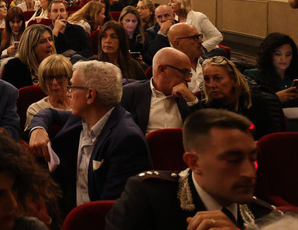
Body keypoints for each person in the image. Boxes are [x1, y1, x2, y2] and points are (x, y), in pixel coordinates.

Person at [105, 109, 279, 230]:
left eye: (253, 159)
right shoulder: (149, 197)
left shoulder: (267, 218)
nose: (249, 173)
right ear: (194, 162)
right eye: (233, 160)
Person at [27, 60, 152, 215]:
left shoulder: (127, 140)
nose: (68, 92)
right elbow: (49, 113)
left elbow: (110, 210)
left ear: (90, 95)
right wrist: (38, 129)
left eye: (72, 86)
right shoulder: (83, 116)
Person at [243, 32, 298, 131]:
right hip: (273, 123)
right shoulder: (254, 75)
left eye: (288, 54)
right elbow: (248, 106)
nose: (283, 59)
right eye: (278, 54)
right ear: (269, 55)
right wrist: (275, 98)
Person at [121, 48, 201, 134]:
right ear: (162, 70)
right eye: (184, 72)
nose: (189, 79)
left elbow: (203, 132)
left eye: (189, 74)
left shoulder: (186, 97)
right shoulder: (131, 94)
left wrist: (193, 101)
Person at [202, 56, 281, 140]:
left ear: (234, 81)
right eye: (207, 79)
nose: (211, 85)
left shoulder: (254, 102)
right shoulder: (206, 107)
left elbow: (270, 138)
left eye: (217, 78)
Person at [1, 24, 55, 89]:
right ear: (30, 47)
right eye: (43, 42)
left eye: (50, 39)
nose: (50, 44)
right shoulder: (13, 68)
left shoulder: (57, 65)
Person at [24, 54, 72, 127]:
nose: (55, 83)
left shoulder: (81, 105)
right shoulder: (35, 110)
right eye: (49, 78)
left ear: (69, 78)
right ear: (43, 81)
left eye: (60, 77)